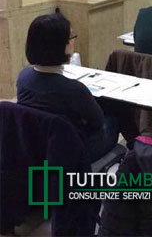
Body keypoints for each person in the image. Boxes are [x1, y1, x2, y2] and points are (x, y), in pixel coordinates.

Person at [16, 12, 140, 161]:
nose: (74, 41)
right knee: (118, 108)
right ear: (61, 45)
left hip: (37, 145)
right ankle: (139, 152)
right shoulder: (74, 89)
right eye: (72, 36)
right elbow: (98, 122)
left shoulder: (23, 77)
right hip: (75, 151)